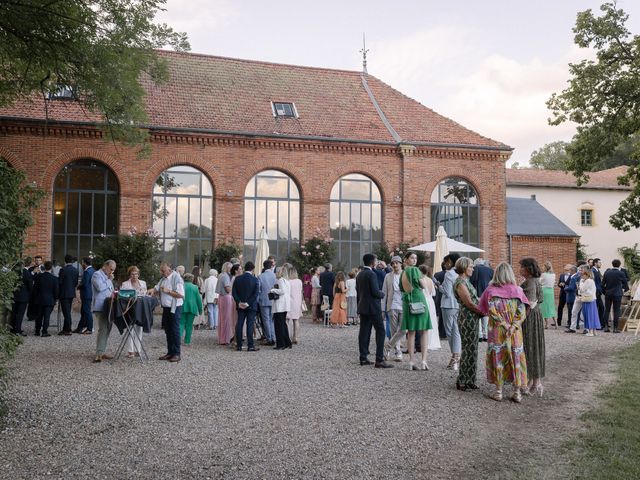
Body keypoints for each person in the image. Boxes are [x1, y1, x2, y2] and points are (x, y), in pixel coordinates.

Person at [478, 262, 530, 403]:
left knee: (498, 358)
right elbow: (522, 311)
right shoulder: (518, 290)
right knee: (516, 357)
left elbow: (489, 310)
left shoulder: (490, 291)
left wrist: (504, 325)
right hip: (515, 332)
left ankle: (499, 392)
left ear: (497, 274)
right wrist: (513, 326)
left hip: (497, 330)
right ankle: (517, 392)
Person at [357, 253, 392, 368]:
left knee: (364, 332)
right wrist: (383, 294)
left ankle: (363, 357)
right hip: (373, 307)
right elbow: (375, 292)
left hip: (363, 306)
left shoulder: (360, 274)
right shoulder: (371, 274)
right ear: (372, 263)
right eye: (376, 261)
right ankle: (379, 360)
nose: (377, 262)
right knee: (381, 331)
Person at [454, 257, 484, 391]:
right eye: (471, 266)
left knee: (474, 349)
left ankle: (471, 379)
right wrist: (483, 312)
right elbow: (469, 303)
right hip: (467, 318)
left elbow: (475, 299)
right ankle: (462, 380)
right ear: (464, 267)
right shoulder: (460, 282)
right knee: (467, 349)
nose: (472, 268)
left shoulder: (467, 281)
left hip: (473, 317)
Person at [400, 252, 431, 371]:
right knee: (424, 331)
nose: (414, 260)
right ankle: (423, 361)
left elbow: (401, 288)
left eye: (416, 258)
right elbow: (423, 285)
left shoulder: (403, 272)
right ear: (406, 259)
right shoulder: (415, 270)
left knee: (411, 332)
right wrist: (424, 283)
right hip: (419, 300)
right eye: (412, 258)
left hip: (408, 302)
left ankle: (411, 361)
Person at [519, 257, 545, 396]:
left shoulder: (529, 282)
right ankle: (535, 382)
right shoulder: (535, 281)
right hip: (536, 317)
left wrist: (519, 320)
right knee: (535, 348)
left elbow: (529, 303)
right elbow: (540, 299)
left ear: (528, 269)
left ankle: (534, 383)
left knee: (529, 348)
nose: (520, 269)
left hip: (529, 318)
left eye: (522, 266)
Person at [149, 262, 184, 362]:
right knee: (168, 330)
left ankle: (177, 354)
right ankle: (170, 353)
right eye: (161, 271)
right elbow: (157, 288)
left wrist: (168, 291)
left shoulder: (177, 278)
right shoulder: (163, 279)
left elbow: (181, 295)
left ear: (169, 269)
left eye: (163, 271)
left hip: (175, 308)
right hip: (166, 308)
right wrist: (152, 290)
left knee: (175, 330)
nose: (161, 273)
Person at [120, 266, 148, 357]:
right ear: (129, 275)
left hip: (140, 309)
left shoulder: (143, 283)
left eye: (136, 274)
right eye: (132, 274)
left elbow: (145, 294)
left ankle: (138, 350)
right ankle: (130, 351)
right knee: (130, 329)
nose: (134, 275)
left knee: (139, 328)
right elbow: (122, 296)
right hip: (129, 309)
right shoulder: (125, 284)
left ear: (138, 274)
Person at [232, 262, 260, 351]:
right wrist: (248, 303)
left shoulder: (238, 279)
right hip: (251, 306)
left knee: (239, 323)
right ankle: (250, 345)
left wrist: (239, 302)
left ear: (244, 269)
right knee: (250, 324)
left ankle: (239, 345)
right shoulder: (255, 279)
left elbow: (234, 292)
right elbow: (255, 294)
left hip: (240, 305)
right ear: (252, 269)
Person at [92, 260, 116, 362]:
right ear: (105, 266)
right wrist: (108, 279)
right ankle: (99, 353)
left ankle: (102, 351)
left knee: (108, 329)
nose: (112, 272)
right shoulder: (96, 274)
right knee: (103, 329)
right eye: (111, 269)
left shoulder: (108, 277)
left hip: (109, 306)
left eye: (113, 270)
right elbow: (100, 287)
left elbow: (110, 290)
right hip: (100, 306)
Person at [441, 253, 461, 370]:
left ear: (452, 262)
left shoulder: (449, 274)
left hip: (448, 305)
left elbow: (447, 292)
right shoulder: (459, 273)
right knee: (456, 331)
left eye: (447, 261)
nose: (445, 264)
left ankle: (454, 357)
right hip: (457, 305)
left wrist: (439, 287)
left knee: (449, 332)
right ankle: (456, 357)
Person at [383, 256, 405, 361]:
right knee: (393, 330)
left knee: (403, 330)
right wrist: (383, 308)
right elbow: (384, 292)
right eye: (393, 263)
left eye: (397, 263)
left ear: (401, 264)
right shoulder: (388, 276)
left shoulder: (406, 274)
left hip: (404, 305)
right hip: (392, 306)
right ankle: (398, 351)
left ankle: (387, 347)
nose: (395, 265)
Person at [602, 259, 629, 333]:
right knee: (616, 311)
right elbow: (626, 285)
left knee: (607, 310)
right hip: (617, 294)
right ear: (619, 265)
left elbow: (602, 285)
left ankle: (606, 327)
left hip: (608, 293)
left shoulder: (607, 272)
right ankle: (615, 328)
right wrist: (623, 290)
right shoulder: (621, 273)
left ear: (612, 264)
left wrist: (605, 292)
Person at [470, 258, 493, 342]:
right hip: (488, 295)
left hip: (477, 294)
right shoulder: (490, 270)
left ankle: (479, 334)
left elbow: (472, 281)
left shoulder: (475, 269)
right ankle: (485, 335)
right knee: (486, 314)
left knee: (478, 313)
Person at [419, 265, 441, 351]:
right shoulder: (430, 280)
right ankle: (431, 341)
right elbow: (434, 293)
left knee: (424, 323)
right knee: (431, 321)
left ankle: (424, 342)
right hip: (430, 302)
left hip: (423, 301)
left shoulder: (420, 280)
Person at [270, 266, 292, 350]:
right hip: (285, 305)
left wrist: (273, 290)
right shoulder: (287, 281)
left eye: (276, 272)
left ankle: (281, 344)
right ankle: (287, 342)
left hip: (280, 306)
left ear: (280, 273)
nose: (275, 273)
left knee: (279, 325)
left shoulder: (280, 281)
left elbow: (282, 291)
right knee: (283, 324)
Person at [57, 254, 79, 336]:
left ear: (65, 261)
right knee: (67, 312)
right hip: (71, 293)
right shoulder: (75, 270)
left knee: (66, 313)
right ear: (72, 261)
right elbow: (76, 283)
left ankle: (68, 329)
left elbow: (60, 282)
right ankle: (65, 328)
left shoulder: (63, 270)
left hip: (64, 293)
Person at [180, 273, 204, 346]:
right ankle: (187, 341)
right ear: (192, 279)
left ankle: (177, 339)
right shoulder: (195, 287)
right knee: (189, 325)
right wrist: (200, 310)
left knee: (181, 323)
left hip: (182, 307)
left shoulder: (182, 286)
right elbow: (198, 300)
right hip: (192, 308)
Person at [10, 260, 32, 336]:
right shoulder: (27, 273)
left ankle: (12, 329)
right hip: (23, 296)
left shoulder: (12, 273)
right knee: (20, 314)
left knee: (13, 313)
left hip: (13, 295)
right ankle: (18, 331)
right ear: (22, 265)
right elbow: (30, 286)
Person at [257, 259, 277, 345]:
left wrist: (257, 300)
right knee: (271, 320)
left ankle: (269, 338)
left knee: (266, 320)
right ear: (271, 266)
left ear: (263, 267)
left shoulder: (260, 276)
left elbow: (258, 290)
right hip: (273, 300)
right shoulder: (275, 276)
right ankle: (273, 337)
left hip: (263, 300)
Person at [74, 257, 95, 334]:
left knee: (87, 311)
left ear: (85, 263)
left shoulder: (87, 272)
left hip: (86, 294)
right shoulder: (93, 270)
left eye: (82, 262)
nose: (82, 264)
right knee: (83, 312)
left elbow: (85, 284)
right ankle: (80, 327)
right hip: (90, 293)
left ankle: (90, 328)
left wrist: (78, 286)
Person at [216, 262, 234, 345]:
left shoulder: (220, 275)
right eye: (230, 268)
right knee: (226, 319)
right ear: (227, 268)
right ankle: (226, 339)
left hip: (221, 297)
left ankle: (221, 338)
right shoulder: (226, 276)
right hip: (226, 297)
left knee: (221, 319)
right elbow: (227, 289)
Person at [579, 268, 600, 337]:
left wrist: (581, 282)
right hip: (592, 299)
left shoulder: (587, 281)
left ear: (587, 275)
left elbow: (582, 289)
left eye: (583, 275)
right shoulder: (591, 281)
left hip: (587, 299)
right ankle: (594, 331)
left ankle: (590, 331)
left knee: (589, 315)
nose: (582, 276)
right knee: (593, 315)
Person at [287, 265, 303, 344]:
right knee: (296, 320)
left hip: (290, 302)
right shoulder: (299, 281)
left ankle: (288, 337)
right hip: (297, 302)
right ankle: (296, 337)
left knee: (287, 320)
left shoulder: (288, 281)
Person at [540, 261, 557, 329]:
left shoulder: (543, 274)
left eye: (543, 266)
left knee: (544, 307)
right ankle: (556, 323)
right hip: (551, 291)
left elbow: (540, 282)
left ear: (545, 267)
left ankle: (546, 324)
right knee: (551, 306)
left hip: (544, 290)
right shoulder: (553, 275)